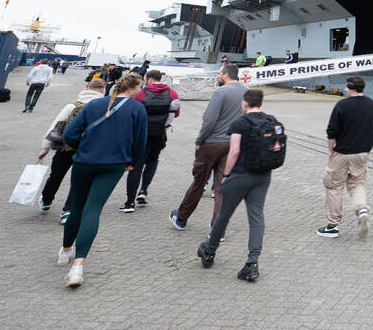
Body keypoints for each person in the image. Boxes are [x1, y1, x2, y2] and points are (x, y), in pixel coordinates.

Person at [57, 73, 147, 288]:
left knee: (77, 207)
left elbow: (69, 133)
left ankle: (65, 251)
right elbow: (140, 141)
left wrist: (84, 147)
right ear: (133, 89)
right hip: (114, 164)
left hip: (85, 161)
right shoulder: (137, 109)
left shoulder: (94, 104)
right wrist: (131, 161)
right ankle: (77, 267)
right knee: (93, 209)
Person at [196, 88, 275, 281]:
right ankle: (252, 262)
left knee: (224, 215)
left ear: (244, 103)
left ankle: (209, 252)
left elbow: (234, 152)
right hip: (263, 175)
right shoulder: (271, 120)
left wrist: (226, 175)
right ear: (261, 103)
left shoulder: (240, 122)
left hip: (240, 175)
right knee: (256, 217)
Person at [169, 63, 245, 230]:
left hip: (212, 143)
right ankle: (218, 229)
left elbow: (209, 120)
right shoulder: (246, 91)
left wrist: (199, 141)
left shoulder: (220, 92)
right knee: (221, 188)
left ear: (226, 75)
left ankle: (181, 218)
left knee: (199, 182)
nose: (217, 76)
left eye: (219, 73)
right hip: (231, 144)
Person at [38, 76, 106, 223]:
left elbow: (55, 126)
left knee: (56, 175)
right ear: (103, 90)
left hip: (65, 147)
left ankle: (46, 201)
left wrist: (45, 148)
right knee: (79, 181)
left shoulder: (72, 105)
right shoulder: (103, 107)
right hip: (87, 150)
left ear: (87, 89)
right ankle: (67, 211)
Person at [317, 76, 373, 238]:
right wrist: (368, 150)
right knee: (357, 184)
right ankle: (362, 210)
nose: (344, 90)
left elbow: (332, 130)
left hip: (342, 153)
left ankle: (332, 226)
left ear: (351, 87)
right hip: (362, 153)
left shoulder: (342, 104)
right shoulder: (371, 104)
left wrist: (330, 150)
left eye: (346, 87)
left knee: (334, 187)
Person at [119, 69, 181, 211]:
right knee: (153, 160)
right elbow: (176, 113)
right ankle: (144, 191)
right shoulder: (172, 93)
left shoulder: (141, 93)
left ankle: (129, 203)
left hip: (141, 134)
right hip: (159, 133)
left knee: (136, 164)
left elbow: (132, 111)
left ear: (149, 79)